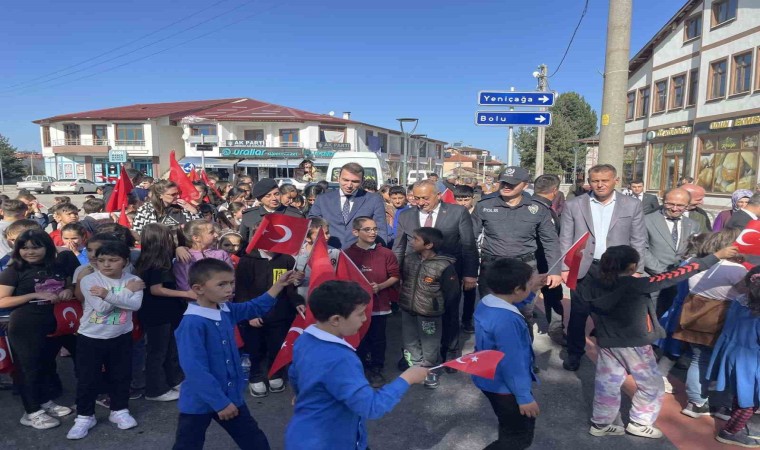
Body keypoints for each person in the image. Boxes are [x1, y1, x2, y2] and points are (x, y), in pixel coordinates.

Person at [579, 243, 737, 439]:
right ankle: (640, 422)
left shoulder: (591, 286)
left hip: (607, 342)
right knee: (652, 385)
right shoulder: (637, 284)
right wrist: (715, 256)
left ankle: (601, 423)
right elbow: (675, 275)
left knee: (608, 384)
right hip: (635, 344)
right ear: (632, 266)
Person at [285, 280, 429, 450]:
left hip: (302, 435)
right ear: (336, 319)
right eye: (360, 314)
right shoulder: (341, 359)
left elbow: (294, 373)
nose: (364, 318)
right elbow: (371, 407)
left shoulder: (304, 339)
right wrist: (408, 378)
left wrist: (301, 395)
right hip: (331, 441)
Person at [172, 258, 298, 450]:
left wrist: (279, 285)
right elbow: (194, 369)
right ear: (198, 289)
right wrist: (220, 403)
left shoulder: (225, 309)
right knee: (188, 445)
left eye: (231, 283)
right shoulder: (192, 324)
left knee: (255, 442)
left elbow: (254, 307)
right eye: (221, 284)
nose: (229, 289)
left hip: (230, 397)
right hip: (201, 401)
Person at [560, 164, 646, 371]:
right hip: (584, 268)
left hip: (617, 269)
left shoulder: (632, 205)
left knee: (615, 315)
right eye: (595, 181)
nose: (600, 185)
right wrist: (565, 267)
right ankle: (574, 353)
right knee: (579, 313)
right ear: (589, 182)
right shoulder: (574, 204)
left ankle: (617, 357)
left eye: (605, 180)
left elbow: (638, 239)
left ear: (616, 180)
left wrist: (637, 269)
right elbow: (565, 238)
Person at [472, 167, 562, 344]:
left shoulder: (537, 208)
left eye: (512, 184)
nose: (506, 186)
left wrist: (555, 271)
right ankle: (489, 354)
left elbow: (550, 241)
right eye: (503, 182)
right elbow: (470, 239)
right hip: (493, 269)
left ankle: (523, 354)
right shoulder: (484, 206)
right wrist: (469, 271)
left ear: (525, 185)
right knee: (491, 313)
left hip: (524, 269)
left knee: (523, 314)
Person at [0, 230, 79, 429]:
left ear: (47, 247)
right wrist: (33, 295)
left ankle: (44, 402)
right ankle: (31, 412)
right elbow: (1, 301)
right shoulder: (14, 270)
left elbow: (68, 284)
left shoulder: (57, 265)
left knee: (45, 365)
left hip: (54, 324)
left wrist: (68, 289)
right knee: (28, 369)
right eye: (24, 247)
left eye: (36, 247)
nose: (30, 252)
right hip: (25, 326)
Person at [393, 179, 478, 364]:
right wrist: (395, 274)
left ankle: (449, 352)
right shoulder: (406, 215)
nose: (420, 202)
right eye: (416, 198)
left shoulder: (457, 212)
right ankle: (412, 354)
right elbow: (399, 247)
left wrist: (470, 274)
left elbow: (468, 245)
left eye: (425, 198)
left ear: (438, 195)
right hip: (416, 274)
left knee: (450, 312)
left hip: (448, 273)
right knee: (413, 313)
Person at [67, 242, 145, 440]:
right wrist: (125, 292)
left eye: (113, 260)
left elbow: (135, 306)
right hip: (91, 336)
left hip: (121, 335)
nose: (106, 264)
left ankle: (119, 410)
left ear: (125, 261)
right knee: (87, 378)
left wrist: (108, 295)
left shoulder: (134, 280)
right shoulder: (90, 280)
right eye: (101, 260)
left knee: (121, 375)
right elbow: (101, 308)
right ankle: (85, 416)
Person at [671, 229, 746, 419]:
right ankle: (721, 406)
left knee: (698, 359)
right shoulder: (735, 269)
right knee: (724, 363)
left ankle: (695, 402)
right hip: (721, 318)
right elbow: (747, 292)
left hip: (694, 314)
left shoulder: (694, 262)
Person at [473, 258, 544, 449]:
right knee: (518, 437)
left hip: (488, 378)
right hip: (505, 387)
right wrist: (524, 397)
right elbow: (513, 363)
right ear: (517, 289)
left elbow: (512, 304)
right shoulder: (508, 321)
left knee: (508, 427)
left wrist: (532, 289)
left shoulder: (488, 303)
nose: (532, 284)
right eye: (529, 283)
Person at [234, 242, 305, 398]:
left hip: (279, 314)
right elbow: (241, 290)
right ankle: (256, 376)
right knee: (255, 348)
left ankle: (275, 373)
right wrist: (249, 315)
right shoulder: (247, 260)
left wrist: (297, 302)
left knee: (276, 345)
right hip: (254, 315)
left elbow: (290, 289)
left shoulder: (287, 260)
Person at [135, 224, 193, 403]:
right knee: (157, 352)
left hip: (167, 312)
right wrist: (185, 294)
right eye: (169, 237)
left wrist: (180, 248)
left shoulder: (156, 258)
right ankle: (155, 390)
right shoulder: (156, 263)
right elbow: (156, 289)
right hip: (157, 313)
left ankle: (174, 380)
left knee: (170, 349)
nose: (172, 240)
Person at [398, 227, 459, 389]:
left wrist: (442, 309)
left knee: (430, 344)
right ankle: (416, 367)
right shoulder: (409, 259)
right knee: (410, 340)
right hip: (408, 308)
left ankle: (430, 370)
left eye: (416, 239)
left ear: (429, 245)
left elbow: (452, 293)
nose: (412, 242)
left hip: (430, 313)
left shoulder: (444, 265)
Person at [707, 266, 760, 447]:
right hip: (751, 360)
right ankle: (731, 431)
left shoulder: (740, 301)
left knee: (741, 395)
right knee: (750, 400)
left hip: (733, 353)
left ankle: (736, 426)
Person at [345, 217, 400, 387]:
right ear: (355, 232)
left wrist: (380, 286)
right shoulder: (347, 254)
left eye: (375, 229)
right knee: (360, 338)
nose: (373, 232)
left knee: (378, 339)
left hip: (379, 305)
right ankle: (360, 368)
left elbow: (395, 276)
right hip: (356, 308)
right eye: (367, 229)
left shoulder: (386, 253)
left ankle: (377, 368)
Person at [644, 188, 699, 317]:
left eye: (680, 205)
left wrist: (682, 271)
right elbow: (641, 249)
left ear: (687, 206)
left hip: (679, 281)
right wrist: (663, 273)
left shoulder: (693, 225)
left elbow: (694, 250)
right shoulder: (646, 220)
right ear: (663, 201)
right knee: (651, 320)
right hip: (653, 279)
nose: (674, 209)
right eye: (670, 204)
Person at [308, 163, 388, 248]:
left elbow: (381, 230)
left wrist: (379, 252)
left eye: (355, 181)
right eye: (345, 180)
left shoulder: (374, 200)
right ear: (338, 178)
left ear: (362, 181)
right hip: (328, 251)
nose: (349, 185)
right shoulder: (323, 199)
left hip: (362, 253)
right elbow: (312, 226)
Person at [531, 174, 566, 344]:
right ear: (555, 191)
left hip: (532, 262)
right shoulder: (544, 210)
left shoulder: (524, 206)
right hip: (543, 263)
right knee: (550, 297)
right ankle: (556, 330)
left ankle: (556, 328)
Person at [173, 220, 233, 291]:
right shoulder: (184, 257)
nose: (216, 235)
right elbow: (184, 286)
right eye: (211, 232)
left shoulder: (221, 254)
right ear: (196, 238)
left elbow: (231, 277)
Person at [238, 178, 303, 243]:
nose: (274, 198)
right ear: (260, 199)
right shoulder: (249, 215)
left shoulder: (294, 215)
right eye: (268, 196)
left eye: (276, 194)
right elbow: (243, 242)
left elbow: (299, 241)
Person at [132, 180, 201, 234]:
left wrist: (194, 211)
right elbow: (137, 232)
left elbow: (199, 229)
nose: (178, 196)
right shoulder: (145, 210)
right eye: (173, 194)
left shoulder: (184, 207)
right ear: (160, 195)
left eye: (178, 193)